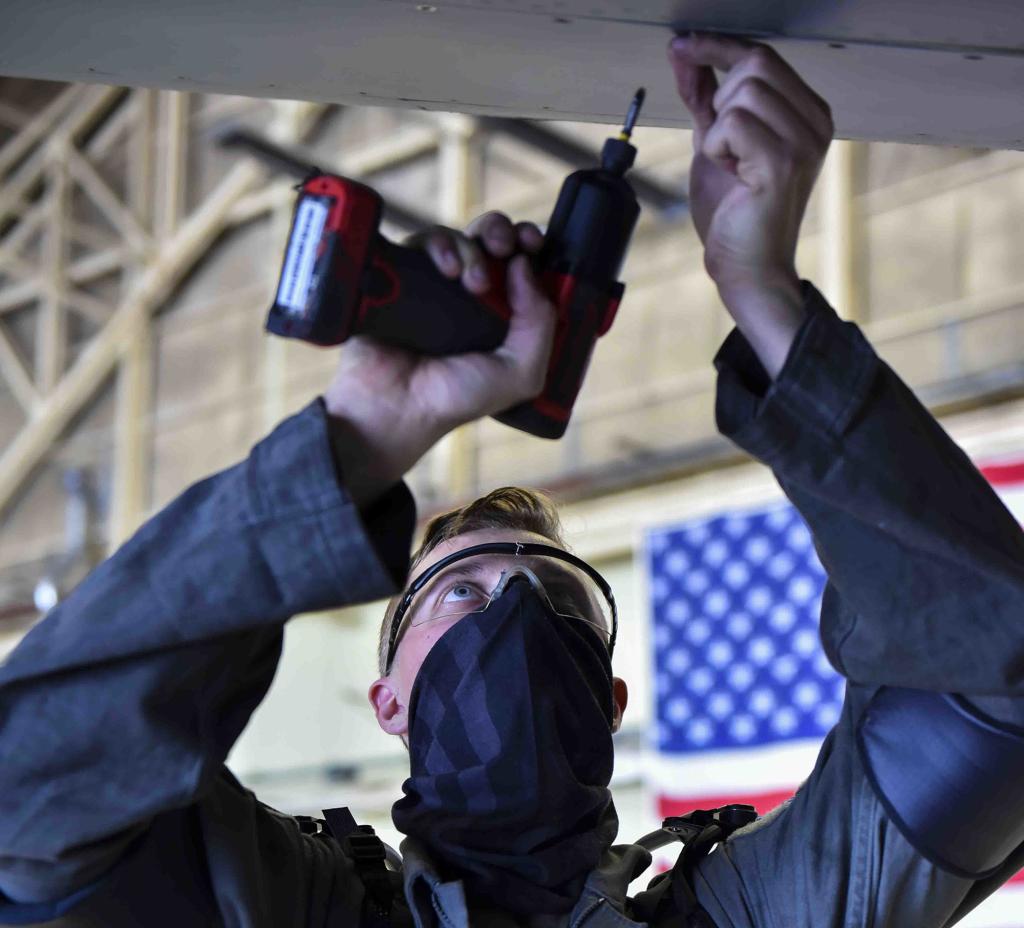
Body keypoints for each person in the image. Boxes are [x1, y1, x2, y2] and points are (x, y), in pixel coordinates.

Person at [1, 31, 1023, 928]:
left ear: (616, 695)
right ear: (387, 699)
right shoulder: (279, 903)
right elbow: (26, 794)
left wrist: (763, 295)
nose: (520, 594)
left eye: (560, 589)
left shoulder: (756, 909)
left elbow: (993, 676)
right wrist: (354, 442)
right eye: (460, 588)